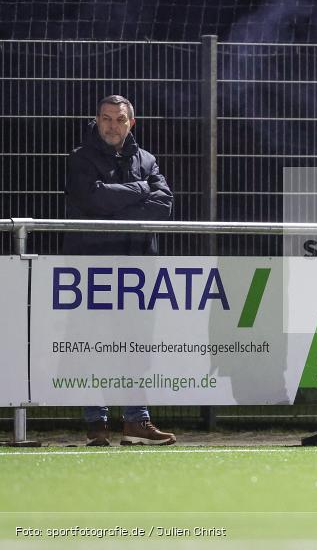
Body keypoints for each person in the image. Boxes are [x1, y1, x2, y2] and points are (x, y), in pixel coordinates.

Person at [63, 95, 176, 446]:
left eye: (119, 119)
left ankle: (136, 423)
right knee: (92, 345)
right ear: (97, 120)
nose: (112, 126)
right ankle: (96, 424)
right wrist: (140, 191)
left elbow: (164, 205)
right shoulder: (81, 158)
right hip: (91, 267)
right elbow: (92, 199)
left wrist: (115, 209)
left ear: (132, 123)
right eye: (106, 118)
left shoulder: (147, 159)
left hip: (138, 267)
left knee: (136, 345)